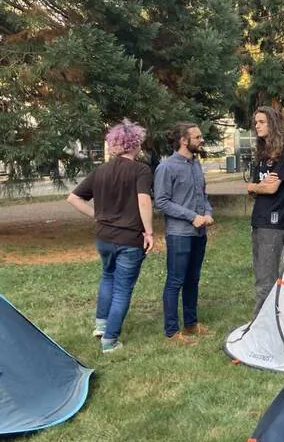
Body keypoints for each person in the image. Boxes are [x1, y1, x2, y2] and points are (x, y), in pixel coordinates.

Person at [66, 119, 154, 353]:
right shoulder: (141, 170)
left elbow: (73, 198)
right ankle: (110, 341)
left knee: (108, 277)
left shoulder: (101, 170)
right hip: (129, 239)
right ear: (135, 144)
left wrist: (98, 216)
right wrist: (149, 231)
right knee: (123, 288)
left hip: (104, 238)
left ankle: (101, 325)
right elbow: (144, 201)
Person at [153, 122, 214, 345]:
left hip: (199, 233)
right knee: (175, 281)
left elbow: (203, 195)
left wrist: (207, 212)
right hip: (179, 234)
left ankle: (191, 324)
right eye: (197, 137)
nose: (201, 140)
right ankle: (171, 331)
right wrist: (192, 216)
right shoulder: (166, 167)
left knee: (193, 279)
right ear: (183, 140)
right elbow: (161, 202)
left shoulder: (196, 165)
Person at [246, 107, 284, 316]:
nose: (256, 126)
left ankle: (262, 326)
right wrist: (257, 186)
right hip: (259, 219)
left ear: (273, 124)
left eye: (261, 122)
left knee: (266, 281)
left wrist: (254, 187)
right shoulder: (262, 153)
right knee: (261, 276)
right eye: (256, 122)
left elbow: (270, 187)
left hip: (274, 222)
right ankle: (268, 322)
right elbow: (257, 187)